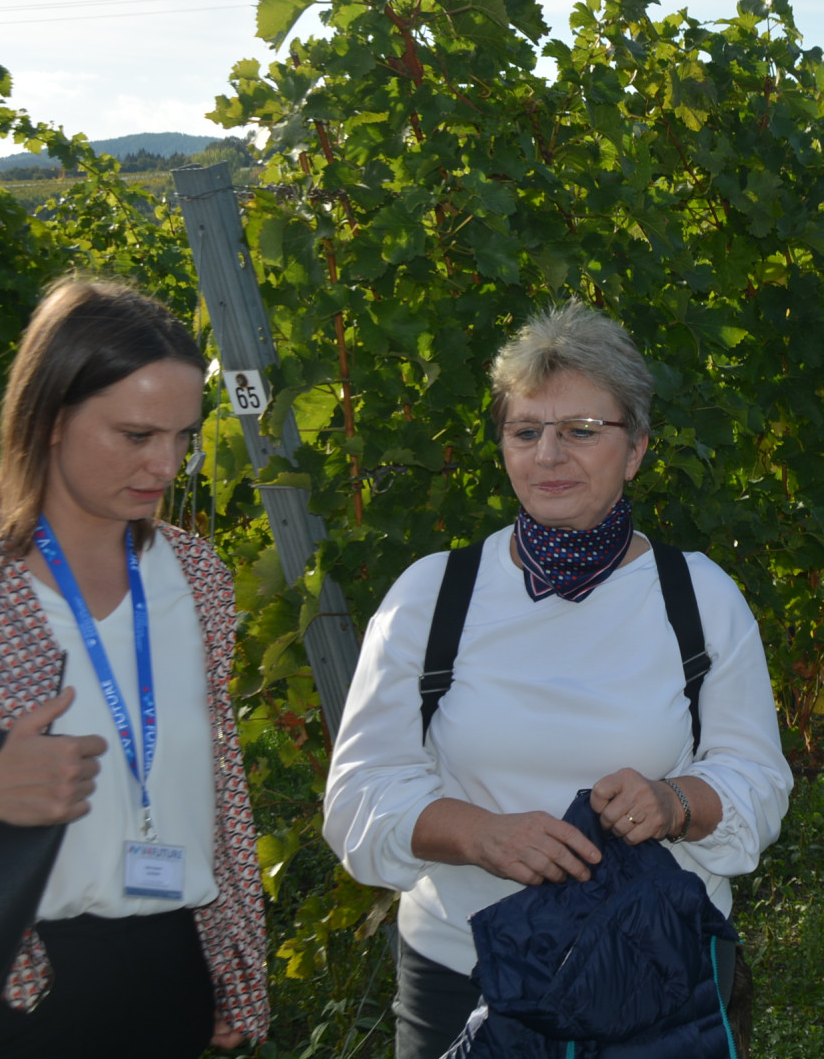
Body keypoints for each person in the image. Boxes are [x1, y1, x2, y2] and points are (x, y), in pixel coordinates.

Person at [324, 301, 792, 1059]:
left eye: (581, 429)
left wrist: (673, 802)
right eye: (526, 431)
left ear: (635, 449)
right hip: (462, 973)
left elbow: (757, 781)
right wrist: (479, 835)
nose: (549, 454)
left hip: (653, 974)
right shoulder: (433, 596)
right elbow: (355, 798)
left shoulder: (698, 596)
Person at [0, 277, 270, 1056]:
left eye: (183, 436)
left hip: (168, 971)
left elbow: (212, 787)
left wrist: (225, 964)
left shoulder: (196, 574)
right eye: (136, 435)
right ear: (47, 417)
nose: (165, 464)